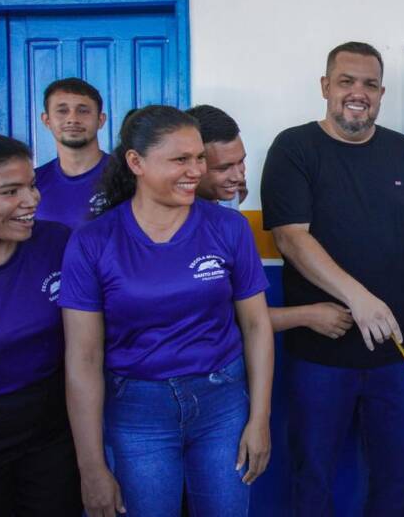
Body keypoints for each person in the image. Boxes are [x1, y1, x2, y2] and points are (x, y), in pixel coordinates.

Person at [260, 41, 404, 516]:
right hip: (319, 356)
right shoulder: (293, 148)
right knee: (312, 479)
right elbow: (290, 238)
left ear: (382, 93)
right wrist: (359, 299)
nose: (358, 93)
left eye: (370, 84)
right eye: (346, 81)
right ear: (325, 86)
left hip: (398, 354)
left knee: (396, 480)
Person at [60, 105, 275, 517]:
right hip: (137, 412)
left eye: (199, 158)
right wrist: (91, 467)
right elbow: (83, 360)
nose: (195, 171)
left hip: (222, 403)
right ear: (136, 162)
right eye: (180, 159)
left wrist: (259, 418)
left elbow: (256, 325)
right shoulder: (93, 242)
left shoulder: (228, 228)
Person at [0, 133, 82, 516]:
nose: (31, 200)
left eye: (32, 185)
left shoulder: (56, 243)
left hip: (53, 424)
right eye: (10, 192)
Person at [191, 103, 355, 339]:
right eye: (224, 167)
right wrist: (309, 315)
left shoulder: (230, 215)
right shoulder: (182, 226)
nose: (239, 175)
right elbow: (227, 317)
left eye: (241, 162)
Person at [35, 77, 110, 228]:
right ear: (46, 120)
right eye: (62, 111)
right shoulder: (33, 183)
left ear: (100, 120)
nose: (73, 119)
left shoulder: (127, 176)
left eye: (83, 111)